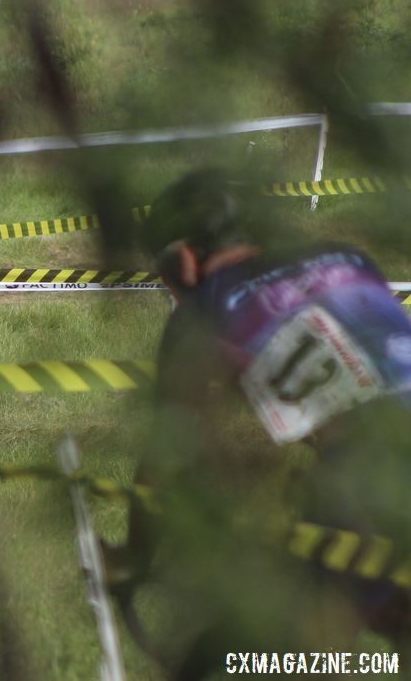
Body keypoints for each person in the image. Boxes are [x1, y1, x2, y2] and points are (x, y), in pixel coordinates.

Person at [107, 169, 411, 675]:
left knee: (246, 656)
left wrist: (135, 556)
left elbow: (170, 454)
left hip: (370, 474)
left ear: (181, 260)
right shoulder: (349, 257)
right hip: (364, 470)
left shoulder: (199, 312)